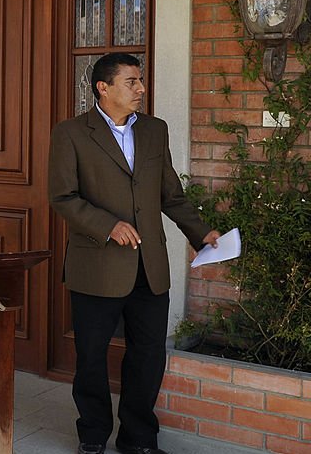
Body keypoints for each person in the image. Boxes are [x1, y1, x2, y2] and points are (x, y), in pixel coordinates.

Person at [48, 53, 220, 454]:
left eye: (140, 80)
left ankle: (138, 439)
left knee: (148, 356)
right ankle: (93, 435)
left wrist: (201, 233)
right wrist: (108, 225)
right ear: (103, 88)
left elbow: (170, 195)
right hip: (97, 266)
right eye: (131, 82)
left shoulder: (155, 130)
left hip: (150, 267)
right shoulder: (70, 133)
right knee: (91, 356)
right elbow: (62, 197)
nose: (141, 89)